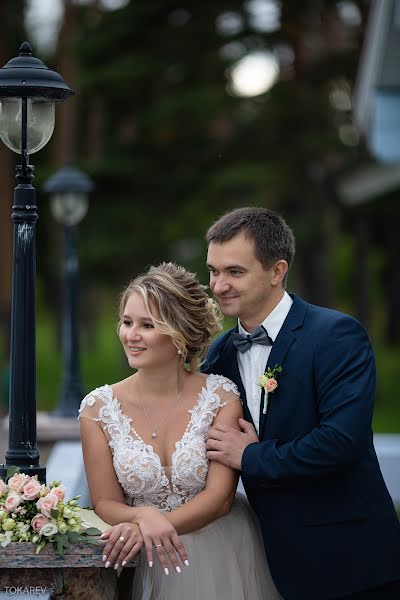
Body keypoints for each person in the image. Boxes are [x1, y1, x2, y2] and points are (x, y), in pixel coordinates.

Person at [203, 207, 400, 600]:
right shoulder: (221, 353)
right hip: (264, 561)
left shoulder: (336, 336)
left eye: (234, 272)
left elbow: (339, 442)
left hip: (349, 562)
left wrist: (252, 457)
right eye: (213, 271)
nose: (218, 285)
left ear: (277, 272)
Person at [79, 262, 281, 600]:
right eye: (127, 323)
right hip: (145, 553)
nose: (131, 335)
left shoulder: (220, 396)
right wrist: (143, 516)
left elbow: (220, 498)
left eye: (147, 325)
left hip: (223, 550)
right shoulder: (98, 407)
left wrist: (164, 524)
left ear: (179, 332)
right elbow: (105, 501)